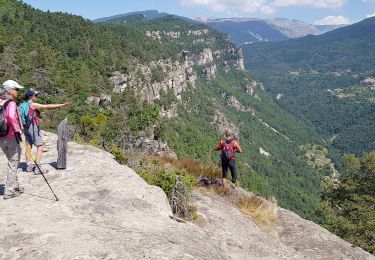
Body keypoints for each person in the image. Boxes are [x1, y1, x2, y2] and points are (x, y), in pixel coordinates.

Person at [19, 88, 69, 174]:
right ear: (30, 96)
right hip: (33, 128)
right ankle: (37, 168)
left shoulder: (23, 104)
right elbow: (47, 106)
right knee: (40, 147)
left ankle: (29, 166)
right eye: (36, 95)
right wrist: (62, 105)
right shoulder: (32, 104)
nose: (37, 96)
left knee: (29, 146)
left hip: (26, 128)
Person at [0, 80, 24, 199]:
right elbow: (10, 116)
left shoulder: (0, 100)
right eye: (16, 89)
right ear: (10, 90)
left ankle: (15, 186)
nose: (18, 92)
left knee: (11, 162)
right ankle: (9, 191)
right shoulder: (11, 103)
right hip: (11, 137)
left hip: (1, 138)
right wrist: (17, 130)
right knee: (13, 163)